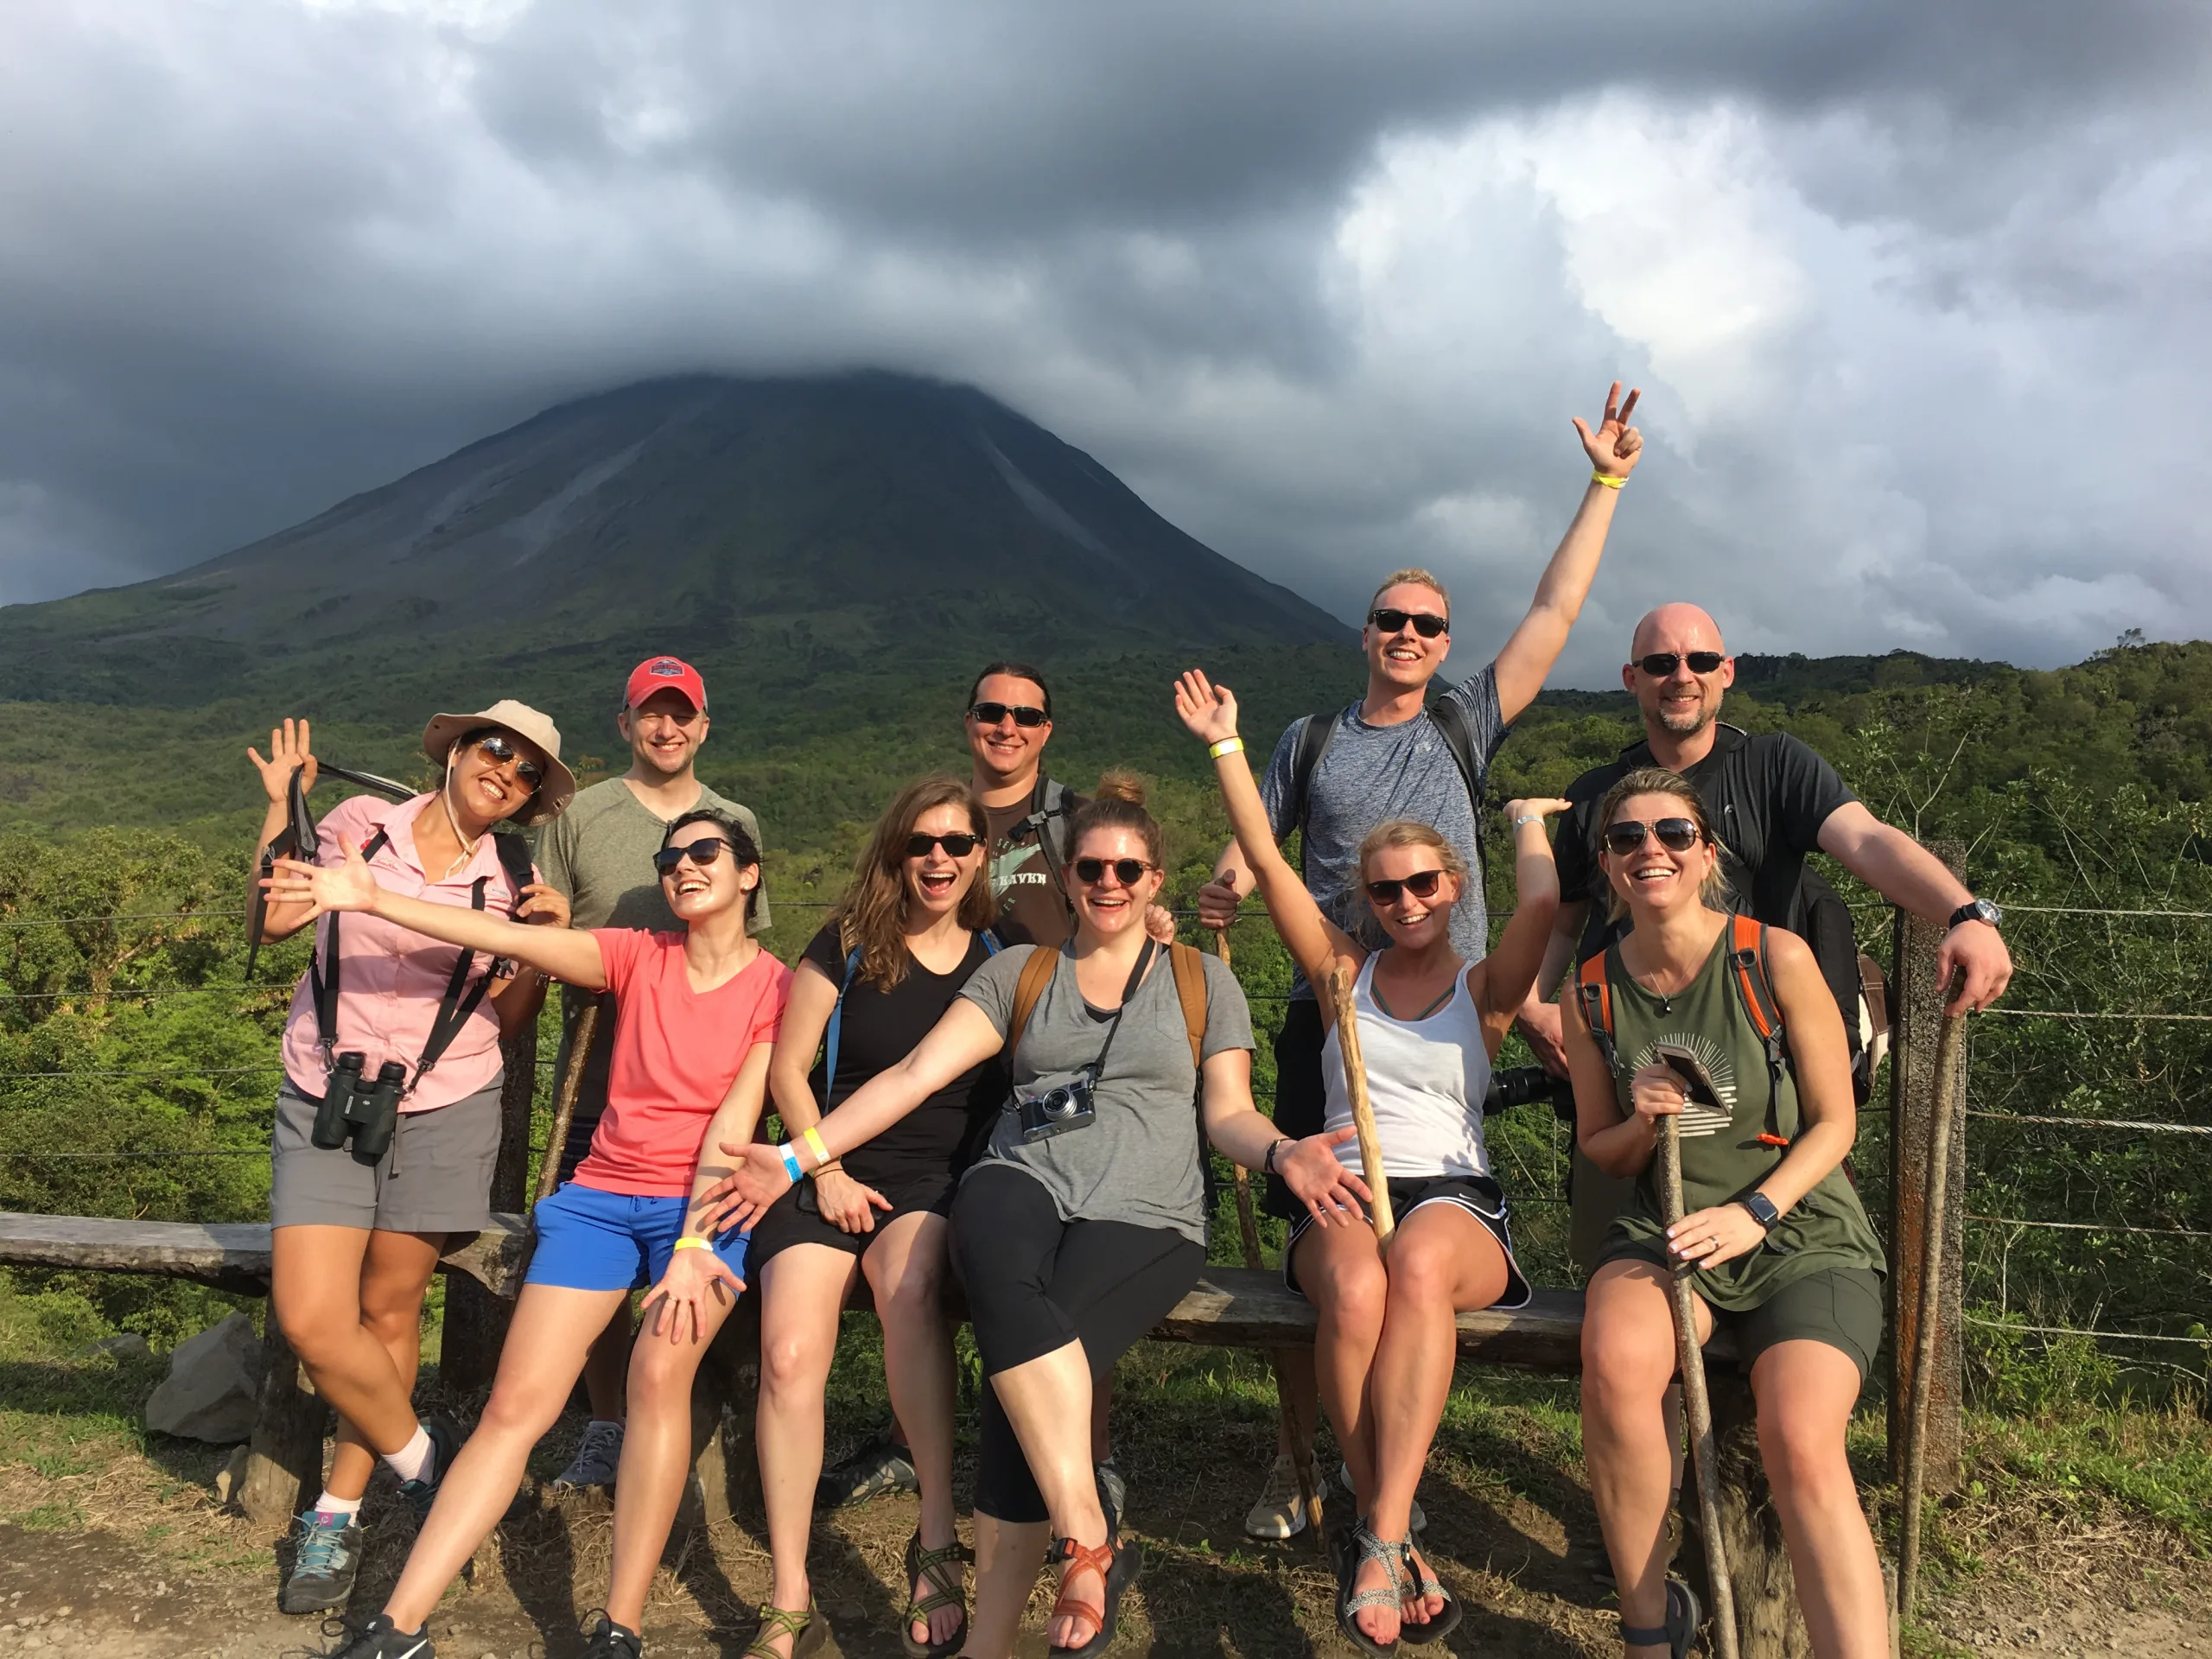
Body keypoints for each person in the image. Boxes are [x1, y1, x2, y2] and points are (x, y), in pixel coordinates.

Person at [705, 775, 1363, 1659]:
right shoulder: (1019, 971)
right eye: (1092, 865)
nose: (1109, 882)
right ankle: (1086, 1535)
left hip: (1145, 1211)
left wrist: (1284, 1151)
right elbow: (913, 1078)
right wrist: (794, 1157)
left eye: (1128, 868)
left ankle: (990, 1638)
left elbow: (1225, 1114)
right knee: (989, 1227)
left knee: (1025, 1374)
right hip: (1022, 1181)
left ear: (1155, 877)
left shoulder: (1201, 982)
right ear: (1066, 876)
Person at [1193, 382, 1647, 1539]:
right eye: (1390, 620)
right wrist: (1226, 883)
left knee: (1411, 1251)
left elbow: (1552, 614)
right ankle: (1304, 1461)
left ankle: (1376, 1482)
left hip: (1453, 1016)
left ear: (1444, 644)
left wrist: (1603, 484)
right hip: (1328, 1008)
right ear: (1364, 633)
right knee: (1322, 1244)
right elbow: (1271, 849)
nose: (1408, 636)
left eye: (1427, 626)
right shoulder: (1311, 738)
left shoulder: (1466, 718)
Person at [268, 808, 790, 1659]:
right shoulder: (633, 954)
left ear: (749, 873)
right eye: (671, 856)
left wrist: (695, 1249)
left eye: (706, 853)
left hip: (704, 1207)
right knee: (514, 1407)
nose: (683, 866)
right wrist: (376, 897)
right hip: (600, 1201)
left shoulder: (779, 986)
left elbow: (736, 1125)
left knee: (657, 1383)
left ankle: (618, 1625)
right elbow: (484, 931)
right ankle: (397, 1626)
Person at [1178, 668, 1566, 1650]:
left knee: (1419, 1265)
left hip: (1451, 1199)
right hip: (1347, 1186)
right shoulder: (1339, 971)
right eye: (1386, 890)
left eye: (1423, 885)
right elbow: (1267, 861)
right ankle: (1385, 1531)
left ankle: (1381, 1532)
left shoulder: (1485, 988)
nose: (1404, 902)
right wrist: (1227, 745)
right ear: (1367, 899)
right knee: (1354, 1292)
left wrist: (1525, 822)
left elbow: (1544, 909)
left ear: (1452, 888)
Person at [1513, 602, 2014, 1274]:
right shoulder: (1599, 795)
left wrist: (1966, 915)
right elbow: (1564, 924)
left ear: (1727, 673)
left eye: (1697, 661)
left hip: (1766, 1089)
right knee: (1625, 1285)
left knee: (1787, 1280)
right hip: (1626, 1075)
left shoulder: (1775, 767)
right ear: (1632, 678)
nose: (1680, 676)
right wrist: (1535, 1007)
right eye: (1661, 664)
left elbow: (1866, 841)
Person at [249, 702, 574, 1617]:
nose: (505, 771)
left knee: (389, 1309)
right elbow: (270, 927)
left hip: (447, 1105)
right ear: (457, 750)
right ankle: (428, 1466)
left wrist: (538, 952)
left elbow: (508, 1028)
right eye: (494, 750)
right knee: (316, 1320)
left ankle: (337, 1512)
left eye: (525, 773)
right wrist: (283, 812)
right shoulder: (357, 828)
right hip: (325, 1088)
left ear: (527, 799)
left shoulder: (513, 874)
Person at [1562, 769, 1889, 1658]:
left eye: (1672, 833)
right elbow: (1601, 1147)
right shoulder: (1588, 991)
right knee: (1616, 1359)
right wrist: (1639, 1118)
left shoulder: (1771, 956)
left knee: (1798, 1437)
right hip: (1666, 1226)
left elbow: (1835, 1122)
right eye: (1625, 838)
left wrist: (1756, 1207)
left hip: (1801, 1227)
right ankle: (1648, 1626)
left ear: (1707, 853)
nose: (1649, 851)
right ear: (1605, 864)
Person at [819, 662, 1149, 1518]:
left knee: (1071, 1248)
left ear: (1048, 728)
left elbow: (1128, 903)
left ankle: (1090, 1455)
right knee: (926, 1274)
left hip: (1052, 1073)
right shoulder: (939, 820)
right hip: (941, 1078)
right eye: (991, 712)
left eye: (1026, 715)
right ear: (969, 721)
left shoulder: (1075, 822)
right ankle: (908, 1443)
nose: (1007, 726)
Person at [747, 777, 1006, 1659]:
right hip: (828, 1165)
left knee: (910, 1287)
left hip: (936, 1176)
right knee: (785, 1352)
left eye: (957, 845)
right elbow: (788, 1073)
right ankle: (790, 1593)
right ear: (894, 851)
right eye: (920, 844)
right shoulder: (850, 942)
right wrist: (822, 1168)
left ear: (980, 856)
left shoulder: (1001, 955)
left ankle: (934, 1539)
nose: (938, 860)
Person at [536, 654, 772, 1495]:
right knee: (592, 1252)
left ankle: (694, 1417)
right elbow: (549, 923)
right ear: (624, 723)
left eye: (682, 714)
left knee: (702, 1246)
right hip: (599, 1082)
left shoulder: (733, 820)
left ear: (704, 725)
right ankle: (606, 1426)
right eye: (650, 713)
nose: (666, 728)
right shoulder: (578, 816)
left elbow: (750, 952)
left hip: (712, 1093)